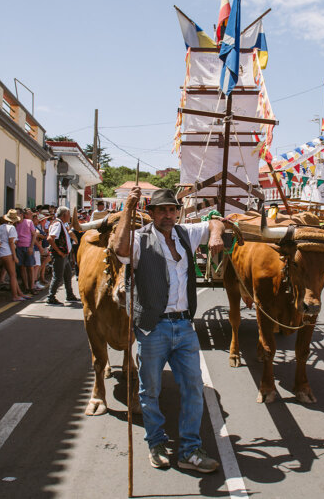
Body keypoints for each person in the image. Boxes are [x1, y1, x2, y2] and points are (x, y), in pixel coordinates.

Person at [114, 187, 224, 473]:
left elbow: (215, 219)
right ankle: (156, 443)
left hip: (185, 325)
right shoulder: (139, 239)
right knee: (150, 390)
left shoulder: (186, 234)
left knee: (193, 388)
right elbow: (120, 250)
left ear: (178, 212)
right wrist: (127, 208)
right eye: (161, 210)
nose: (167, 214)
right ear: (150, 213)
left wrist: (214, 234)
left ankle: (189, 450)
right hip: (153, 327)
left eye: (172, 209)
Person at [46, 206, 78, 305]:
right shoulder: (57, 224)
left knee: (68, 275)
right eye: (69, 214)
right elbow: (50, 239)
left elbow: (68, 232)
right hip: (59, 255)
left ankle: (69, 295)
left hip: (64, 255)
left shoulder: (62, 223)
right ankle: (50, 297)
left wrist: (74, 239)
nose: (69, 216)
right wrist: (59, 252)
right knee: (57, 276)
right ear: (64, 215)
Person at [0, 211, 27, 301]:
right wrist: (14, 256)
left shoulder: (1, 226)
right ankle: (15, 295)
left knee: (13, 274)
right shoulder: (11, 228)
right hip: (8, 252)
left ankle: (19, 293)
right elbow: (11, 242)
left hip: (2, 252)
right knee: (12, 275)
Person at [15, 208, 37, 295]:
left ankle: (32, 287)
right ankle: (26, 287)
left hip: (28, 246)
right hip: (19, 247)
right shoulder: (14, 224)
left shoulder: (28, 222)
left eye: (18, 214)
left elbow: (34, 234)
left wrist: (31, 247)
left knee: (30, 267)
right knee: (22, 267)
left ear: (22, 215)